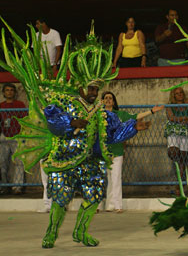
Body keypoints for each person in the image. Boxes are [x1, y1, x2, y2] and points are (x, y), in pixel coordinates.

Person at [40, 82, 151, 248]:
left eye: (96, 89)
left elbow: (113, 135)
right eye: (90, 88)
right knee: (60, 199)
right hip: (65, 160)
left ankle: (81, 231)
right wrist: (71, 122)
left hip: (91, 162)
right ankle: (51, 233)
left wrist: (133, 127)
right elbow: (52, 121)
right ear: (80, 88)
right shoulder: (67, 103)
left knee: (93, 198)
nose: (93, 92)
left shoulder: (102, 112)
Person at [101, 91, 164, 212]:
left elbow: (136, 117)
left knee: (116, 177)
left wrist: (151, 111)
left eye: (110, 98)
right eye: (106, 98)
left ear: (113, 102)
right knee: (104, 178)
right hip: (102, 150)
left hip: (117, 150)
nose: (108, 100)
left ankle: (117, 206)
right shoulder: (98, 114)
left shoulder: (120, 115)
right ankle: (106, 205)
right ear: (102, 101)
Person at [165, 87, 188, 191]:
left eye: (181, 93)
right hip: (173, 132)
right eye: (177, 93)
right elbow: (171, 117)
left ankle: (180, 185)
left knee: (183, 158)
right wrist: (183, 119)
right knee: (173, 152)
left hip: (185, 132)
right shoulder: (170, 106)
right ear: (173, 96)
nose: (180, 95)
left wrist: (184, 120)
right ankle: (180, 175)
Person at [0, 83, 26, 195]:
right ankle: (4, 186)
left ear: (14, 93)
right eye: (7, 90)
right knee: (2, 163)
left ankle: (17, 187)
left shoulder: (20, 105)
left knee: (19, 163)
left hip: (17, 137)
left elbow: (25, 120)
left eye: (11, 90)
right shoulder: (1, 106)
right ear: (3, 93)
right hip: (4, 137)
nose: (9, 92)